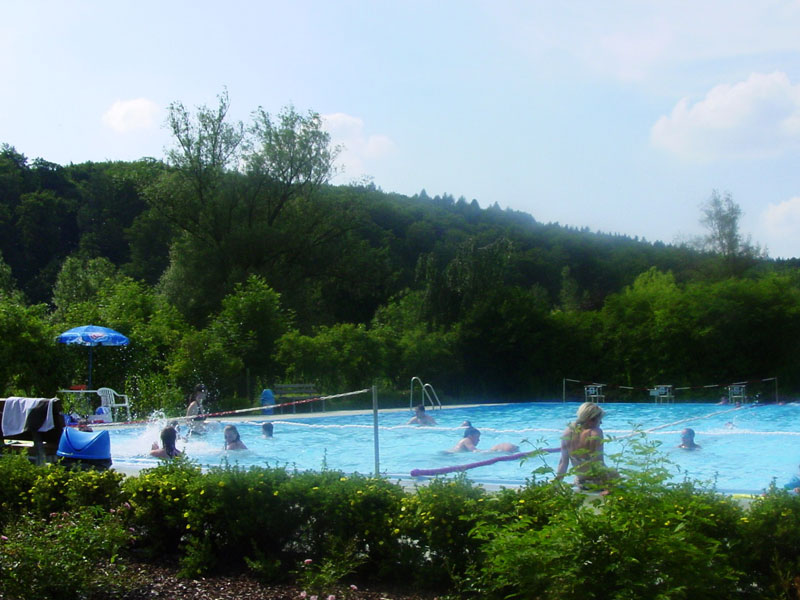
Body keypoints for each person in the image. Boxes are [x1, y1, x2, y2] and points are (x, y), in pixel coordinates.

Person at [556, 402, 618, 490]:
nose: (601, 422)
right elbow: (599, 463)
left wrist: (557, 484)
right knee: (615, 473)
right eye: (599, 419)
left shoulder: (568, 431)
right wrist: (607, 488)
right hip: (598, 483)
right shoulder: (595, 433)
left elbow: (563, 462)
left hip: (581, 482)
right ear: (591, 420)